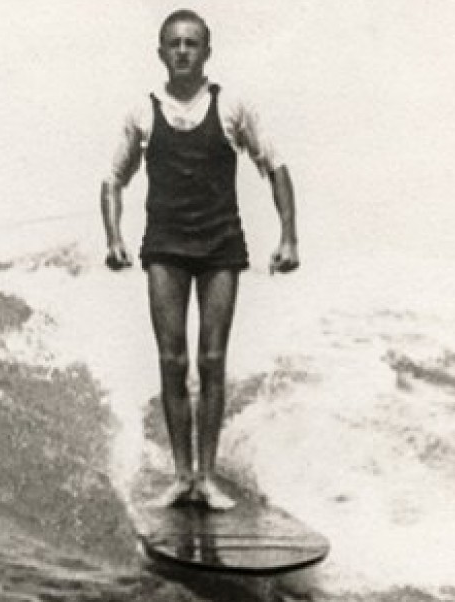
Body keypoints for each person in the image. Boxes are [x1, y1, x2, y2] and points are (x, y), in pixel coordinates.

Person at [100, 9, 300, 510]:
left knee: (212, 360)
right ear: (161, 52)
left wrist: (288, 237)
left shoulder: (231, 106)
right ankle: (181, 476)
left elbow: (274, 167)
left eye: (193, 43)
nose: (183, 51)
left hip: (220, 247)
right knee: (173, 362)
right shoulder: (142, 113)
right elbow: (112, 180)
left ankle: (206, 477)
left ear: (207, 52)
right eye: (175, 43)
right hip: (165, 246)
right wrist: (114, 238)